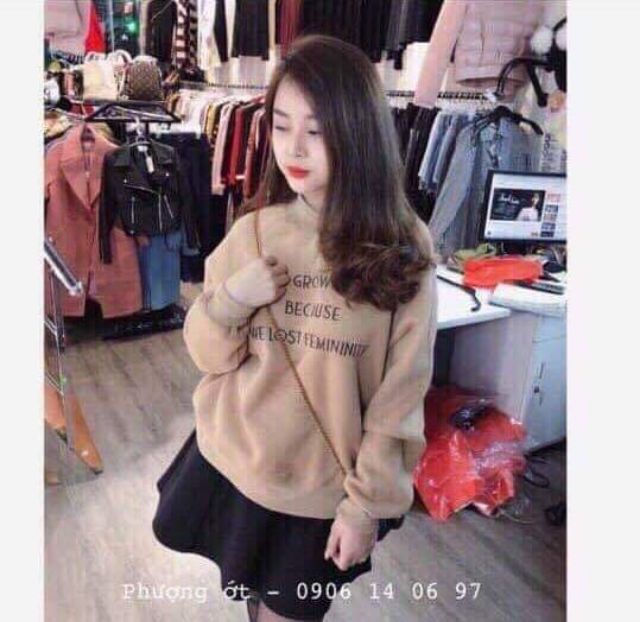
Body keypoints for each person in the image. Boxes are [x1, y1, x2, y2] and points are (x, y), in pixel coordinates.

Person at [152, 34, 438, 622]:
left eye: (317, 130)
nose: (294, 148)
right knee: (252, 600)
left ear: (357, 130)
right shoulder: (255, 230)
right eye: (281, 126)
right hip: (238, 462)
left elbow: (401, 394)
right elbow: (207, 354)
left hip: (322, 490)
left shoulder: (403, 246)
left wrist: (366, 505)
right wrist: (232, 300)